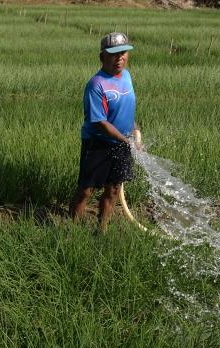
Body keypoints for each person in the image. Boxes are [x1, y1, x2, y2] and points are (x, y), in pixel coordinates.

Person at [70, 32, 142, 231]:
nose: (119, 58)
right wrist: (125, 140)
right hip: (98, 144)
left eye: (123, 53)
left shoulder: (126, 76)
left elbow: (126, 110)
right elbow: (100, 122)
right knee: (86, 190)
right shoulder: (96, 84)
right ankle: (72, 231)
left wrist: (135, 131)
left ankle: (102, 230)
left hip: (123, 141)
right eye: (113, 54)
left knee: (113, 190)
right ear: (102, 57)